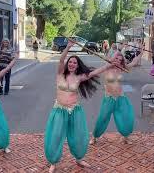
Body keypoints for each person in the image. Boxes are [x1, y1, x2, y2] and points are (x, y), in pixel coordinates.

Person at [44, 41, 110, 173]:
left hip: (75, 110)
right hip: (59, 110)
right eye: (70, 62)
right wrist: (68, 47)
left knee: (78, 135)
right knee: (56, 136)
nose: (72, 64)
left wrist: (109, 64)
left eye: (75, 62)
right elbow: (62, 59)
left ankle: (79, 159)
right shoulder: (60, 74)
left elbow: (95, 72)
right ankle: (53, 162)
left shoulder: (79, 77)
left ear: (77, 65)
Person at [89, 46, 144, 145]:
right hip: (109, 97)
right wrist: (109, 63)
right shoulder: (106, 67)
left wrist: (141, 53)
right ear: (113, 58)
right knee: (102, 118)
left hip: (121, 97)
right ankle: (94, 136)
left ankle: (125, 137)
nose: (118, 61)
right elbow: (95, 72)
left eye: (120, 59)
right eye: (116, 59)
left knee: (126, 117)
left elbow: (134, 63)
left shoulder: (121, 69)